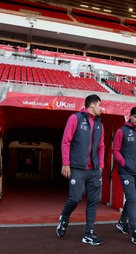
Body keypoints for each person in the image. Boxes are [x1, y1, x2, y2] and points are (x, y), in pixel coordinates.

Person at [56, 94, 105, 246]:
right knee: (75, 198)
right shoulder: (75, 118)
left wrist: (101, 166)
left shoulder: (100, 125)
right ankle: (64, 218)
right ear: (92, 105)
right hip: (77, 168)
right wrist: (66, 163)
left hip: (94, 170)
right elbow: (66, 141)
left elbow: (101, 147)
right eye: (99, 105)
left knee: (93, 201)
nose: (101, 108)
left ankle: (88, 233)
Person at [113, 106, 136, 245]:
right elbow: (115, 150)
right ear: (130, 117)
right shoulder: (121, 131)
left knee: (132, 198)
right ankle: (135, 231)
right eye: (135, 117)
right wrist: (124, 163)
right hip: (126, 172)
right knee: (132, 199)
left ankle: (122, 222)